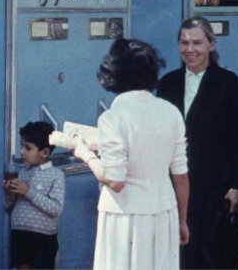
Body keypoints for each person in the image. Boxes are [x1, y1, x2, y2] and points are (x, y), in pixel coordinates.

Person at [72, 38, 189, 269]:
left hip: (124, 217)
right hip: (164, 212)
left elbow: (115, 180)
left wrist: (85, 154)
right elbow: (181, 176)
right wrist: (182, 220)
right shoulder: (171, 112)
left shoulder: (112, 118)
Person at [156, 17, 238, 269]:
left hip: (216, 188)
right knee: (177, 253)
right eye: (184, 42)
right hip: (174, 185)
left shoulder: (230, 84)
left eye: (197, 42)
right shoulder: (167, 83)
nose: (190, 49)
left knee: (213, 256)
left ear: (211, 43)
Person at [3, 121, 66, 269]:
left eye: (28, 148)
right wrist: (9, 195)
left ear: (45, 152)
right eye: (21, 146)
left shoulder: (56, 175)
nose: (22, 152)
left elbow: (56, 209)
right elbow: (9, 209)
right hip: (19, 233)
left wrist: (28, 192)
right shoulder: (22, 172)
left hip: (43, 238)